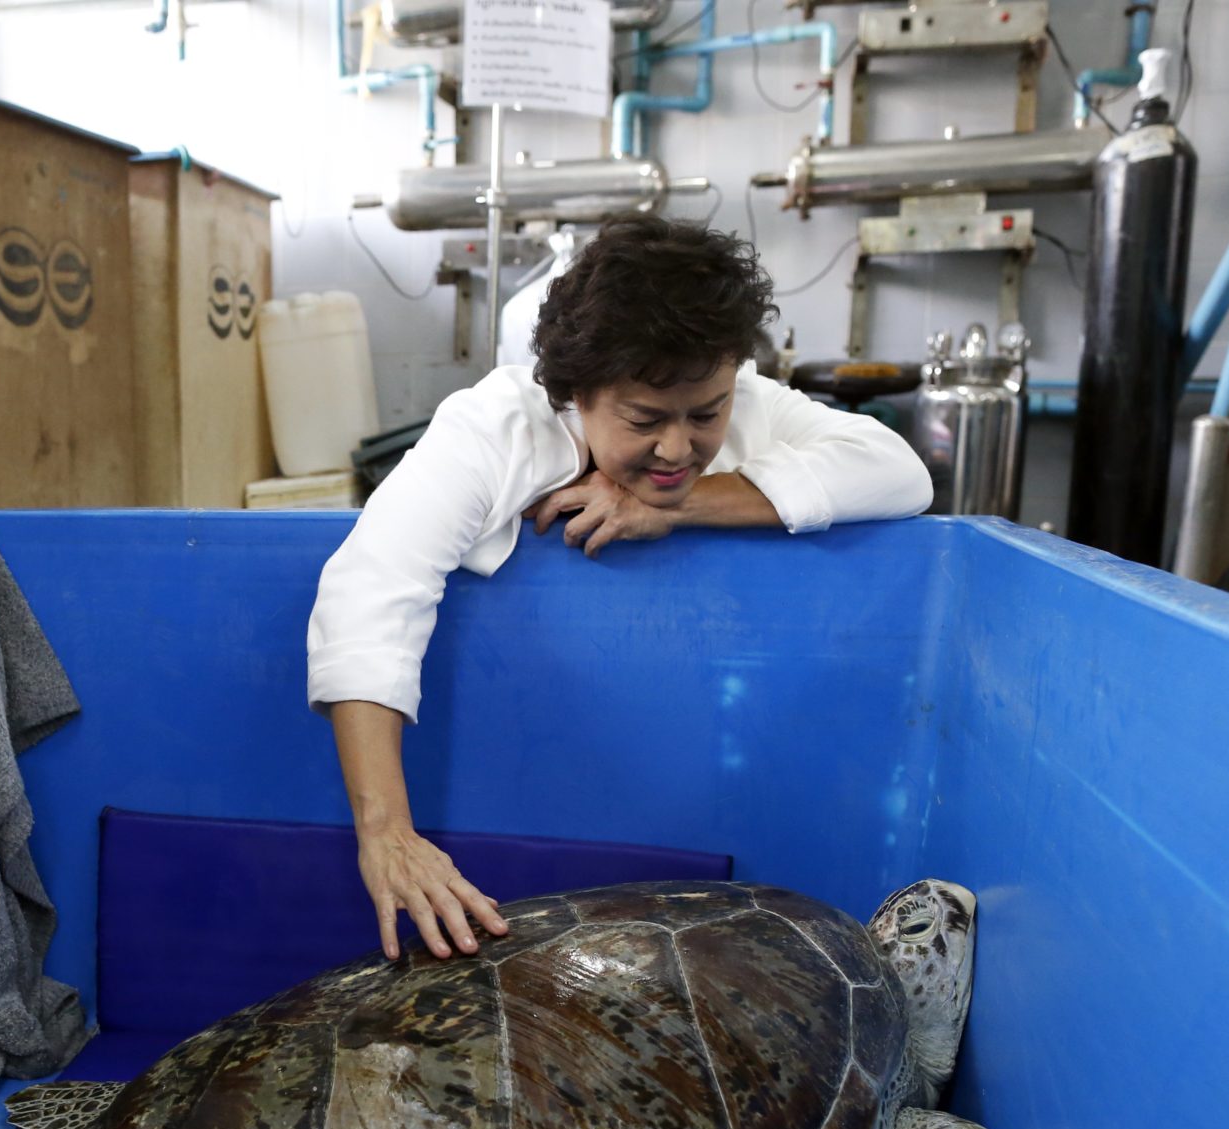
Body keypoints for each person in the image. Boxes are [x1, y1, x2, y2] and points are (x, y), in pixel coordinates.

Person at [307, 216, 932, 962]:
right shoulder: (491, 429)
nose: (679, 447)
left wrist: (673, 504)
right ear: (575, 390)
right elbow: (372, 587)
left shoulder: (751, 404)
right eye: (644, 419)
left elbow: (900, 472)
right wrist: (387, 833)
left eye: (708, 413)